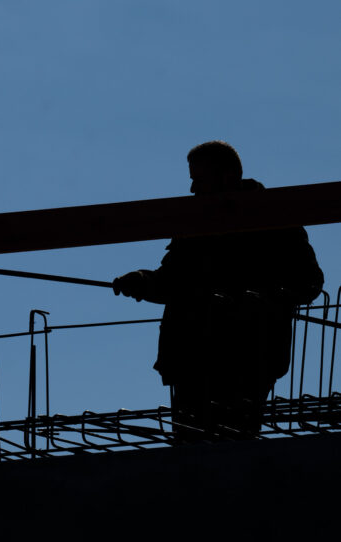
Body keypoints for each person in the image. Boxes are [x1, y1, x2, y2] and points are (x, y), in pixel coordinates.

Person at [112, 141, 323, 442]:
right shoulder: (197, 221)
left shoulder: (274, 219)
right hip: (192, 358)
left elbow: (309, 282)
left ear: (226, 177)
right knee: (193, 454)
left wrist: (263, 300)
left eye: (198, 179)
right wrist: (142, 281)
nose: (192, 189)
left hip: (246, 357)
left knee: (229, 453)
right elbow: (174, 280)